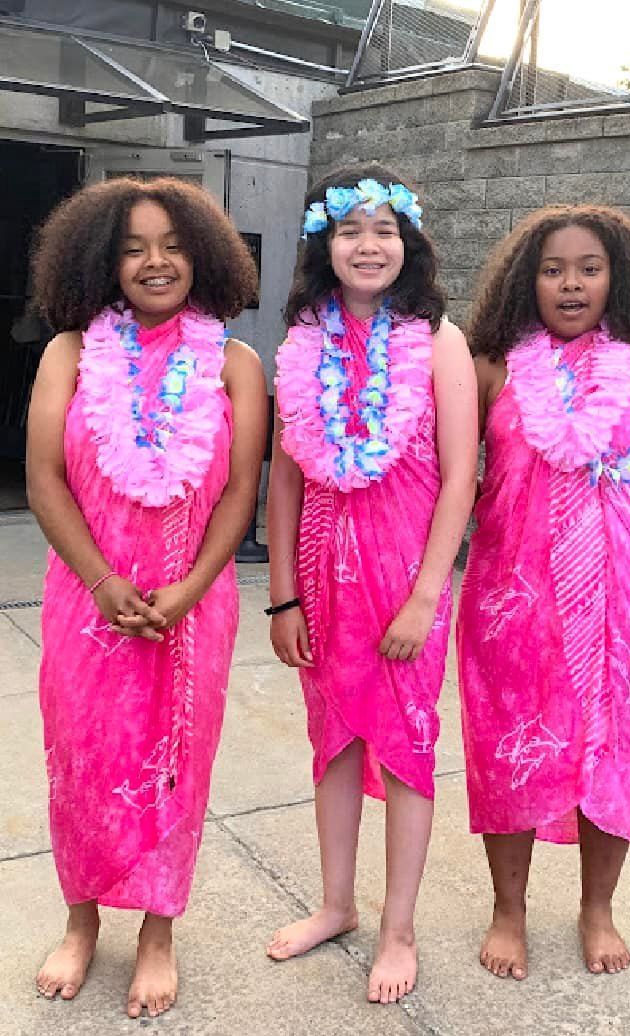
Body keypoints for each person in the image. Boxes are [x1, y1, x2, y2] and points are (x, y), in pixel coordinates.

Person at [26, 177, 267, 1017]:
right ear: (103, 261)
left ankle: (159, 932)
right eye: (132, 248)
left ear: (200, 255)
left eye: (170, 244)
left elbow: (242, 492)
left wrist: (194, 588)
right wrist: (102, 579)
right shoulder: (70, 352)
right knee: (82, 759)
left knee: (175, 765)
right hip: (87, 593)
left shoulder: (238, 365)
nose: (154, 262)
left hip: (191, 601)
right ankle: (82, 919)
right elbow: (45, 478)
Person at [456, 204, 630, 981]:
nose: (570, 283)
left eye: (588, 268)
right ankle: (509, 909)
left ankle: (597, 907)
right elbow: (441, 475)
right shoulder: (491, 371)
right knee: (509, 757)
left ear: (617, 279)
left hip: (625, 617)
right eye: (552, 269)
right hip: (511, 610)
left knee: (615, 760)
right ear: (524, 282)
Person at [266, 165, 478, 1003]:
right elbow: (284, 480)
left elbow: (460, 476)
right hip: (320, 573)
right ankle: (335, 906)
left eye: (385, 229)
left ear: (408, 244)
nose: (368, 244)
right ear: (325, 243)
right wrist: (282, 593)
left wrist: (428, 593)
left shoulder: (440, 340)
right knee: (335, 743)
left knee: (405, 745)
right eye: (351, 230)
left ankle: (399, 929)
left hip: (404, 579)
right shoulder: (300, 343)